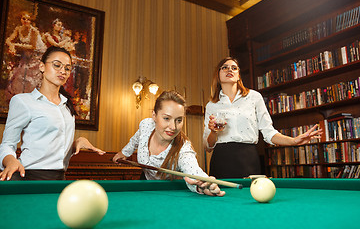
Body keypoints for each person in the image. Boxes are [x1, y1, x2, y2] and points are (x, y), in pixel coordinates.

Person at [203, 57, 322, 179]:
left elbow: (268, 132)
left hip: (248, 159)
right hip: (221, 160)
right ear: (218, 74)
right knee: (221, 198)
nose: (230, 70)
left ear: (238, 76)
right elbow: (208, 146)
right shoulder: (211, 105)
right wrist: (213, 131)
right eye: (225, 67)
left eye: (234, 68)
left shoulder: (254, 97)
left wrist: (293, 141)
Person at [0, 46, 105, 181]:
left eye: (67, 68)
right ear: (42, 66)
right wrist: (10, 161)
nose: (63, 71)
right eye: (57, 65)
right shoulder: (23, 101)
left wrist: (77, 143)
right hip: (29, 176)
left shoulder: (67, 106)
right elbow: (7, 144)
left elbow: (55, 147)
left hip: (60, 177)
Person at [112, 90, 225, 196]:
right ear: (154, 116)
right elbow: (135, 140)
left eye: (179, 120)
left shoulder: (184, 148)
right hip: (145, 183)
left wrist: (203, 185)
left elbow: (193, 171)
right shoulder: (146, 125)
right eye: (166, 118)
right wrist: (124, 153)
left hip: (169, 193)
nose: (173, 127)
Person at [5, 11, 47, 102]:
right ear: (20, 19)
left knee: (30, 77)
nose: (26, 21)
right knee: (20, 74)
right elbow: (8, 39)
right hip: (27, 54)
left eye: (28, 19)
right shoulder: (18, 29)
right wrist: (11, 45)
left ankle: (30, 99)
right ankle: (20, 97)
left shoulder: (34, 31)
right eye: (24, 18)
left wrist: (15, 45)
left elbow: (32, 47)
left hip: (38, 54)